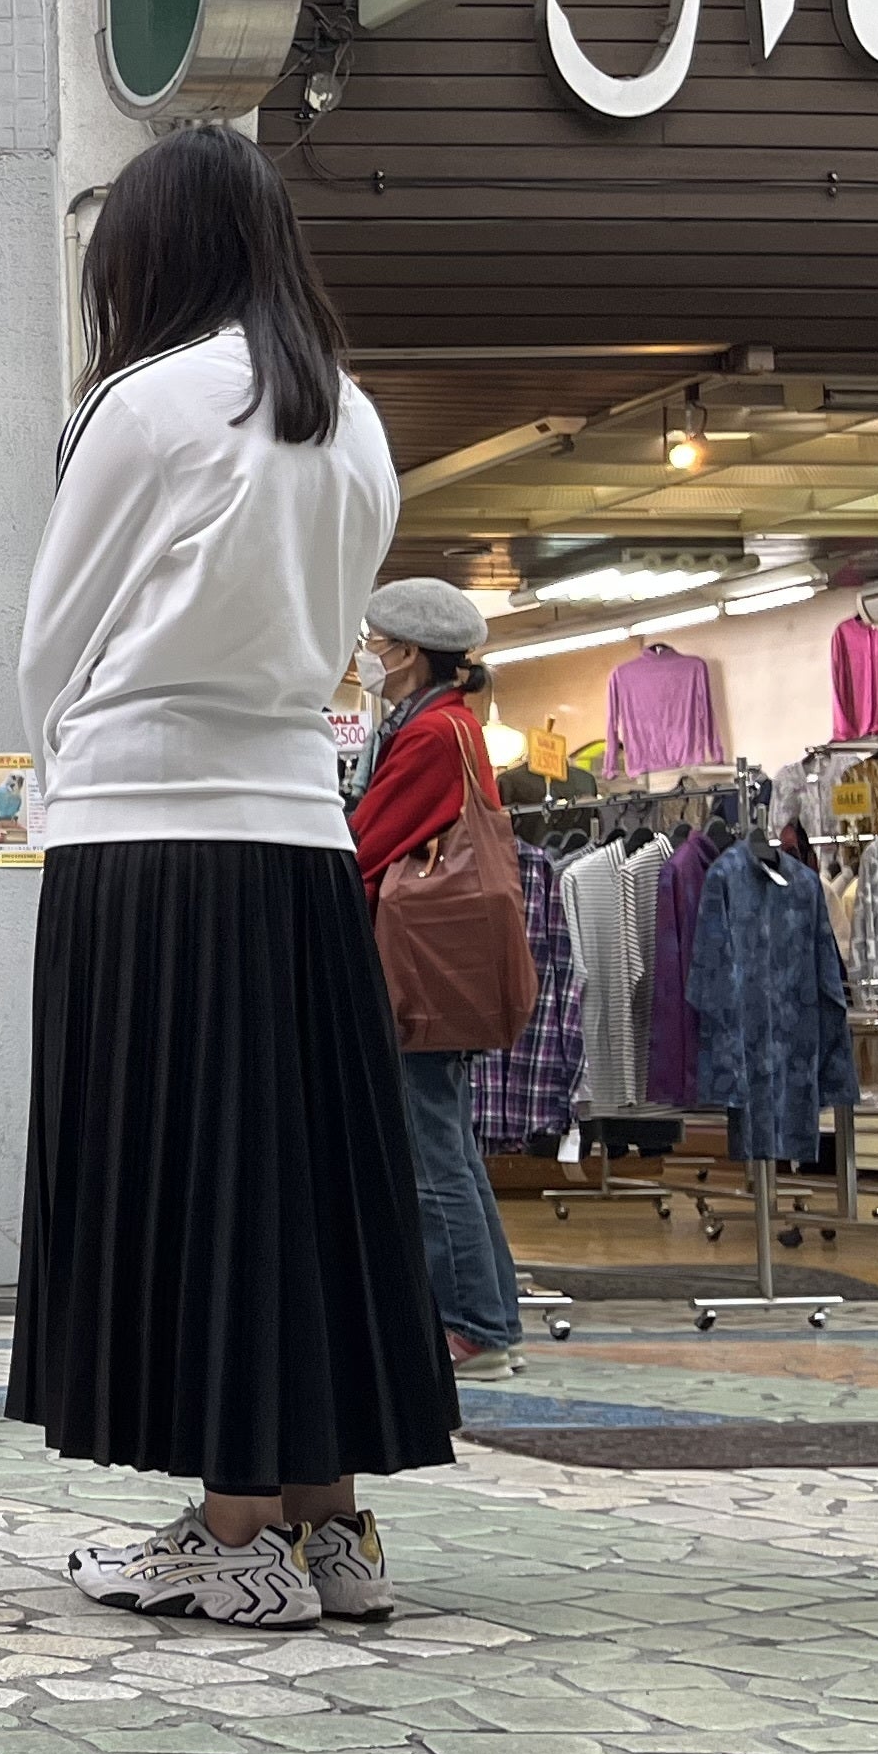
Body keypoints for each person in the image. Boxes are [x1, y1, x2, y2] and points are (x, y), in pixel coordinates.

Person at [9, 119, 447, 1633]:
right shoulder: (353, 415)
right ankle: (331, 1523)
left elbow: (56, 638)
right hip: (300, 840)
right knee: (305, 1179)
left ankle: (230, 1532)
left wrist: (60, 769)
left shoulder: (143, 402)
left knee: (180, 1173)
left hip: (145, 833)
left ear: (146, 255)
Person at [349, 578, 526, 1388]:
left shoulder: (430, 734)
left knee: (432, 1156)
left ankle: (472, 1328)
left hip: (422, 974)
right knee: (450, 1148)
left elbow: (369, 840)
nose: (368, 656)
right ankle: (492, 1318)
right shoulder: (449, 725)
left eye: (377, 643)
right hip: (447, 973)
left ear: (411, 653)